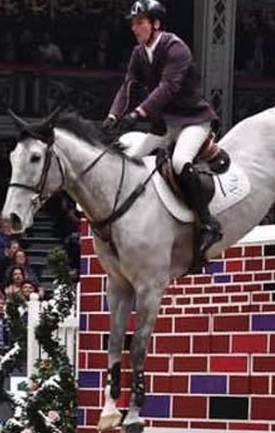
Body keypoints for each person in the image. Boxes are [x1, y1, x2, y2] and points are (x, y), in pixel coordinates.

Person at [102, 0, 222, 273]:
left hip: (194, 120)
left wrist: (140, 112)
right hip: (165, 125)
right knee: (129, 158)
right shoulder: (139, 53)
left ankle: (207, 223)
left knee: (180, 163)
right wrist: (113, 116)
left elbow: (168, 87)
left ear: (155, 24)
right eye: (133, 23)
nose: (135, 28)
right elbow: (128, 85)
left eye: (140, 22)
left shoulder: (175, 48)